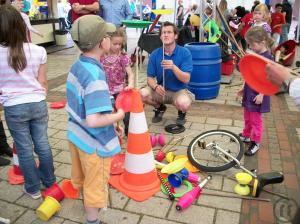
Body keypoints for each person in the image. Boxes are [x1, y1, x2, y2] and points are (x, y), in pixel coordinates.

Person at [68, 15, 124, 224]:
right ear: (103, 43)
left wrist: (110, 125)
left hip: (76, 135)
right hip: (93, 144)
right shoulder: (96, 76)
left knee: (84, 178)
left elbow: (81, 105)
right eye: (108, 35)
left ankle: (86, 204)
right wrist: (118, 116)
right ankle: (93, 220)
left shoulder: (78, 65)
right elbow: (93, 120)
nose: (111, 39)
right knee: (95, 184)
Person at [0, 5, 56, 198]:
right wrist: (41, 95)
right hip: (37, 103)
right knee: (42, 144)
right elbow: (43, 82)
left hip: (13, 107)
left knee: (24, 148)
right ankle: (50, 183)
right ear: (21, 25)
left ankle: (32, 188)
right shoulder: (38, 50)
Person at [140, 22, 194, 125]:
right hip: (161, 90)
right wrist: (155, 86)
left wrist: (173, 67)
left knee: (184, 103)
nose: (166, 35)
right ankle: (159, 108)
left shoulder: (185, 53)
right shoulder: (155, 54)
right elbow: (150, 78)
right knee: (142, 94)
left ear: (176, 36)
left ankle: (181, 112)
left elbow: (186, 79)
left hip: (178, 91)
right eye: (163, 33)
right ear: (160, 37)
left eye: (169, 32)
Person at [237, 26, 273, 156]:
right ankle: (246, 135)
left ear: (262, 42)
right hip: (249, 91)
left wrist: (262, 94)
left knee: (255, 120)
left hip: (258, 94)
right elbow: (249, 73)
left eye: (252, 44)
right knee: (247, 116)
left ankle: (256, 142)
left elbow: (269, 80)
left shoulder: (267, 57)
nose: (250, 47)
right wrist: (243, 87)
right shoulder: (255, 54)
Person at [100, 28, 135, 135]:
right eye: (115, 44)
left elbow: (130, 73)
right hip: (106, 91)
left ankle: (130, 132)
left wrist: (131, 84)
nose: (118, 46)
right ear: (107, 41)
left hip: (121, 89)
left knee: (126, 112)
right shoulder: (101, 57)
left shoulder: (122, 57)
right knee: (110, 113)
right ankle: (113, 133)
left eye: (120, 44)